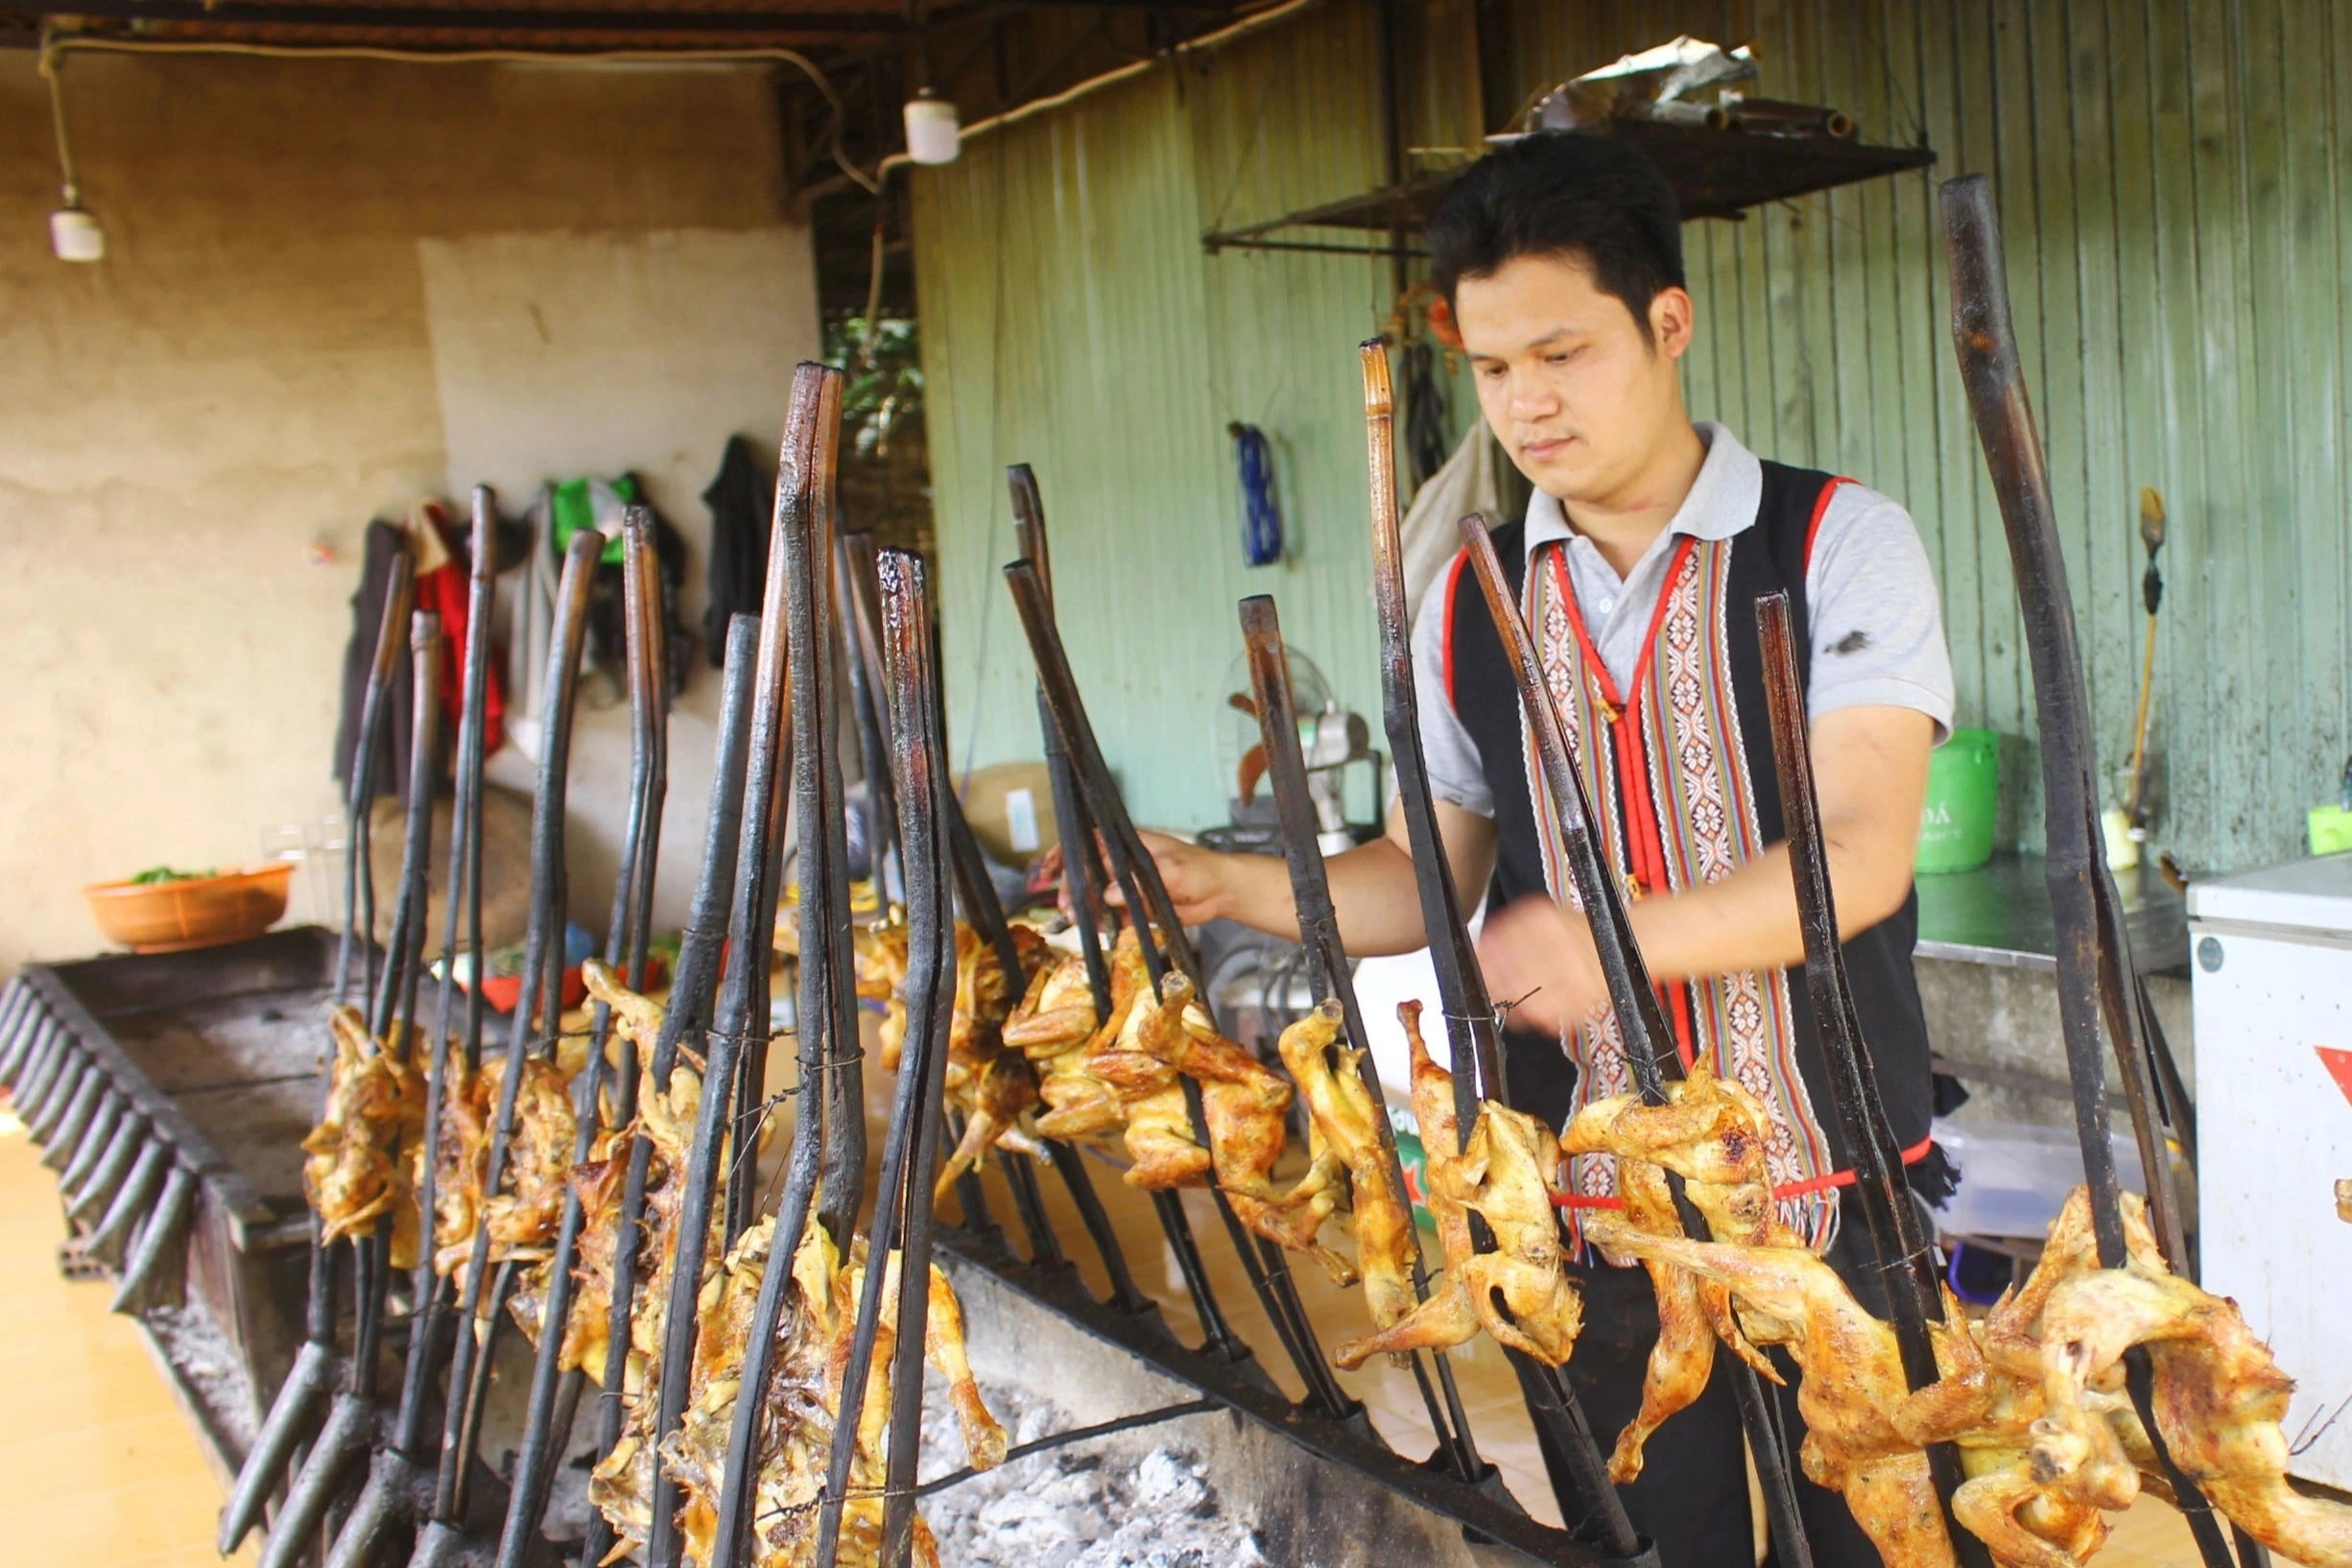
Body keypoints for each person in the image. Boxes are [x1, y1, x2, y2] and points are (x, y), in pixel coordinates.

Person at [1137, 131, 1954, 1568]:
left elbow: (1859, 856)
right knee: (1647, 1548)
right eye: (1498, 366)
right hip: (1593, 1223)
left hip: (1832, 1200)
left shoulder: (1835, 541)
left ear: (1668, 321)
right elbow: (1424, 881)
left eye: (1564, 352)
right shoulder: (1469, 601)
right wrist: (1238, 887)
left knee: (1880, 1546)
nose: (1527, 402)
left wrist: (1604, 941)